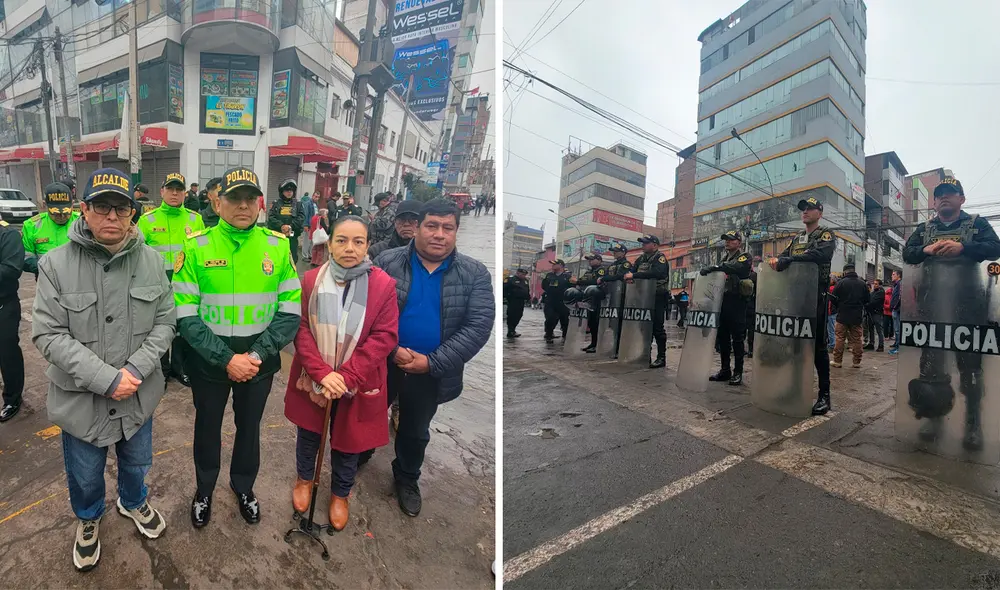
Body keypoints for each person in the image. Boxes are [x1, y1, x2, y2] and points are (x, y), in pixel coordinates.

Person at [32, 168, 174, 571]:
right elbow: (48, 334)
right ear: (84, 209)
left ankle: (133, 502)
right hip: (81, 400)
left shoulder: (153, 262)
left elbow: (166, 322)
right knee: (85, 473)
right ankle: (90, 517)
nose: (111, 217)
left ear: (134, 213)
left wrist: (134, 370)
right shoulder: (55, 265)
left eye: (121, 208)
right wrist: (106, 378)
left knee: (136, 462)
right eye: (101, 207)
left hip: (138, 393)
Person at [173, 167, 302, 528]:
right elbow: (186, 315)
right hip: (209, 362)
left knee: (249, 428)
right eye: (235, 198)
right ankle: (204, 489)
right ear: (218, 201)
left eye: (251, 198)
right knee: (207, 427)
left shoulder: (277, 247)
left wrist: (257, 356)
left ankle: (244, 486)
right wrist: (225, 358)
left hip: (259, 362)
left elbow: (290, 312)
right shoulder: (196, 247)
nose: (243, 206)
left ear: (260, 203)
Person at [373, 198, 493, 517]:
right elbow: (365, 312)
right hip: (383, 361)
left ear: (455, 232)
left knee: (414, 431)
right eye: (432, 226)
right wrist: (391, 349)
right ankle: (356, 457)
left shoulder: (474, 273)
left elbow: (478, 326)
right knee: (367, 414)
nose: (439, 234)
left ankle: (407, 478)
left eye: (447, 228)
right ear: (418, 229)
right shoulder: (387, 262)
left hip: (431, 371)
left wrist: (432, 362)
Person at [285, 215, 399, 530]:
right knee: (309, 434)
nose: (349, 248)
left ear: (367, 245)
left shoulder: (383, 285)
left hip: (358, 381)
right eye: (341, 240)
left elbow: (385, 337)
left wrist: (346, 377)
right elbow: (302, 329)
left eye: (358, 241)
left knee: (350, 441)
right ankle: (304, 479)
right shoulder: (310, 280)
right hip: (315, 376)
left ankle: (340, 494)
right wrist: (322, 373)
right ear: (330, 242)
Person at [900, 175, 1000, 448]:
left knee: (970, 369)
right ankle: (933, 418)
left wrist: (964, 247)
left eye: (950, 193)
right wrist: (926, 249)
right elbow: (908, 254)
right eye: (940, 193)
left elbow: (996, 248)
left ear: (961, 199)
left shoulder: (976, 223)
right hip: (932, 309)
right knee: (932, 368)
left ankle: (973, 425)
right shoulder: (925, 228)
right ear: (933, 202)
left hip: (968, 310)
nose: (944, 196)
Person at [137, 172, 205, 387]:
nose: (175, 193)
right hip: (156, 285)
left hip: (186, 286)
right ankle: (161, 372)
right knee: (157, 329)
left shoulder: (195, 219)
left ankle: (179, 368)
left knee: (183, 329)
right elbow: (137, 255)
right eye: (170, 189)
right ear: (162, 191)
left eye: (179, 189)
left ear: (184, 193)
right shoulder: (147, 220)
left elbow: (202, 254)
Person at [770, 195, 835, 415]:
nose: (805, 212)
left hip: (816, 296)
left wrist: (792, 260)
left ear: (820, 212)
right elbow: (783, 257)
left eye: (809, 208)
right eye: (803, 209)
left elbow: (822, 253)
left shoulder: (825, 234)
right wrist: (776, 262)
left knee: (817, 347)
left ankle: (824, 396)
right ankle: (794, 388)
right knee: (795, 346)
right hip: (795, 297)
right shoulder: (797, 238)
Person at [701, 230, 752, 385]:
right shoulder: (724, 258)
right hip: (722, 300)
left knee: (737, 339)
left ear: (739, 242)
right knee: (722, 337)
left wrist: (715, 267)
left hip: (737, 302)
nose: (727, 242)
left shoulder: (744, 256)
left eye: (731, 240)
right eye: (726, 240)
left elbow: (736, 267)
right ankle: (725, 370)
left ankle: (738, 372)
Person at [625, 234, 670, 368]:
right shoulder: (641, 258)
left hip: (658, 295)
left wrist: (635, 275)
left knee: (657, 327)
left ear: (655, 245)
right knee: (643, 327)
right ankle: (645, 355)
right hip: (643, 296)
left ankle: (661, 357)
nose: (643, 245)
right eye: (642, 243)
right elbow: (631, 270)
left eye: (646, 243)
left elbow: (657, 273)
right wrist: (629, 276)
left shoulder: (659, 258)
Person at [22, 182, 79, 279]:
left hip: (79, 280)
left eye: (65, 213)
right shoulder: (31, 226)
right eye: (55, 213)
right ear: (45, 205)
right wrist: (46, 267)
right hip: (46, 281)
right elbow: (25, 258)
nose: (61, 217)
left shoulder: (82, 222)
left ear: (72, 204)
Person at [0, 213, 24, 423]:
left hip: (3, 305)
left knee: (7, 353)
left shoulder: (7, 234)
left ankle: (12, 398)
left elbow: (10, 269)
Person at [830, 262, 867, 369]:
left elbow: (833, 298)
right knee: (857, 339)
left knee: (840, 338)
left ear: (845, 272)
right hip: (857, 316)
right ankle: (856, 362)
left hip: (842, 315)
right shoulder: (862, 283)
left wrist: (839, 305)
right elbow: (867, 299)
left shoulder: (841, 283)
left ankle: (837, 361)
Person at [572, 252, 607, 352]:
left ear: (599, 260)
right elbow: (582, 280)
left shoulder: (601, 270)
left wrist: (579, 282)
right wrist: (576, 281)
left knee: (596, 323)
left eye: (592, 259)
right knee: (591, 323)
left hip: (598, 300)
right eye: (589, 260)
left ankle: (597, 344)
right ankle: (593, 343)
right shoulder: (589, 271)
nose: (590, 261)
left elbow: (595, 282)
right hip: (589, 300)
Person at [267, 178, 306, 264]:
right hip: (277, 235)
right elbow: (271, 217)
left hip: (292, 236)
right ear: (282, 192)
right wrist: (281, 226)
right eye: (287, 190)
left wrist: (290, 226)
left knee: (292, 258)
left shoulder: (298, 204)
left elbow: (301, 217)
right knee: (274, 257)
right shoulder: (276, 203)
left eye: (291, 190)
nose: (289, 192)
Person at [542, 259, 572, 342]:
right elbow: (544, 286)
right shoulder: (549, 275)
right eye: (552, 265)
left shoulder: (567, 276)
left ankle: (565, 336)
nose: (553, 266)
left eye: (555, 264)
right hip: (550, 301)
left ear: (561, 266)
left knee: (565, 319)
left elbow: (572, 287)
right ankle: (549, 334)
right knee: (550, 318)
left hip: (563, 302)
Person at [504, 268, 530, 338]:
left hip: (521, 301)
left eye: (524, 274)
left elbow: (527, 290)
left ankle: (513, 329)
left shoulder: (525, 281)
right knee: (512, 315)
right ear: (518, 273)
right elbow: (504, 288)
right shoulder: (510, 279)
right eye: (522, 274)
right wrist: (506, 298)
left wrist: (528, 298)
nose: (523, 276)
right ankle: (510, 331)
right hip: (513, 300)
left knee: (519, 315)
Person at [745, 256, 761, 358]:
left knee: (742, 329)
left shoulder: (742, 275)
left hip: (744, 306)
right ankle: (751, 350)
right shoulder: (754, 275)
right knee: (751, 328)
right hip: (751, 305)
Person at [865, 279, 886, 352]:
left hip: (877, 313)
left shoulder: (881, 292)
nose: (874, 285)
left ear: (880, 285)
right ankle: (871, 343)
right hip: (871, 312)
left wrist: (867, 304)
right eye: (874, 284)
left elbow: (873, 302)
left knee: (879, 330)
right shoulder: (873, 292)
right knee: (871, 329)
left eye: (876, 284)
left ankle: (881, 345)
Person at [300, 191, 317, 263]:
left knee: (311, 241)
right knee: (306, 241)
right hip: (308, 225)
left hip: (314, 225)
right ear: (312, 196)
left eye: (318, 197)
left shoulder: (315, 204)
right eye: (315, 196)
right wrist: (305, 225)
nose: (316, 198)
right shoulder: (308, 203)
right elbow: (306, 215)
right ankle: (305, 256)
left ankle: (309, 254)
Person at [888, 269, 902, 354]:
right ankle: (896, 344)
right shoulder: (896, 285)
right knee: (896, 329)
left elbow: (899, 297)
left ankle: (898, 347)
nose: (891, 276)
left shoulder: (900, 284)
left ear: (898, 275)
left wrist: (894, 307)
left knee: (897, 329)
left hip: (897, 310)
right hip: (895, 309)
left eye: (893, 274)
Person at [826, 277, 838, 351]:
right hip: (834, 311)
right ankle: (832, 343)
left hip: (831, 311)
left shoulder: (831, 289)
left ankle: (832, 344)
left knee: (831, 329)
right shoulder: (836, 288)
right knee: (832, 328)